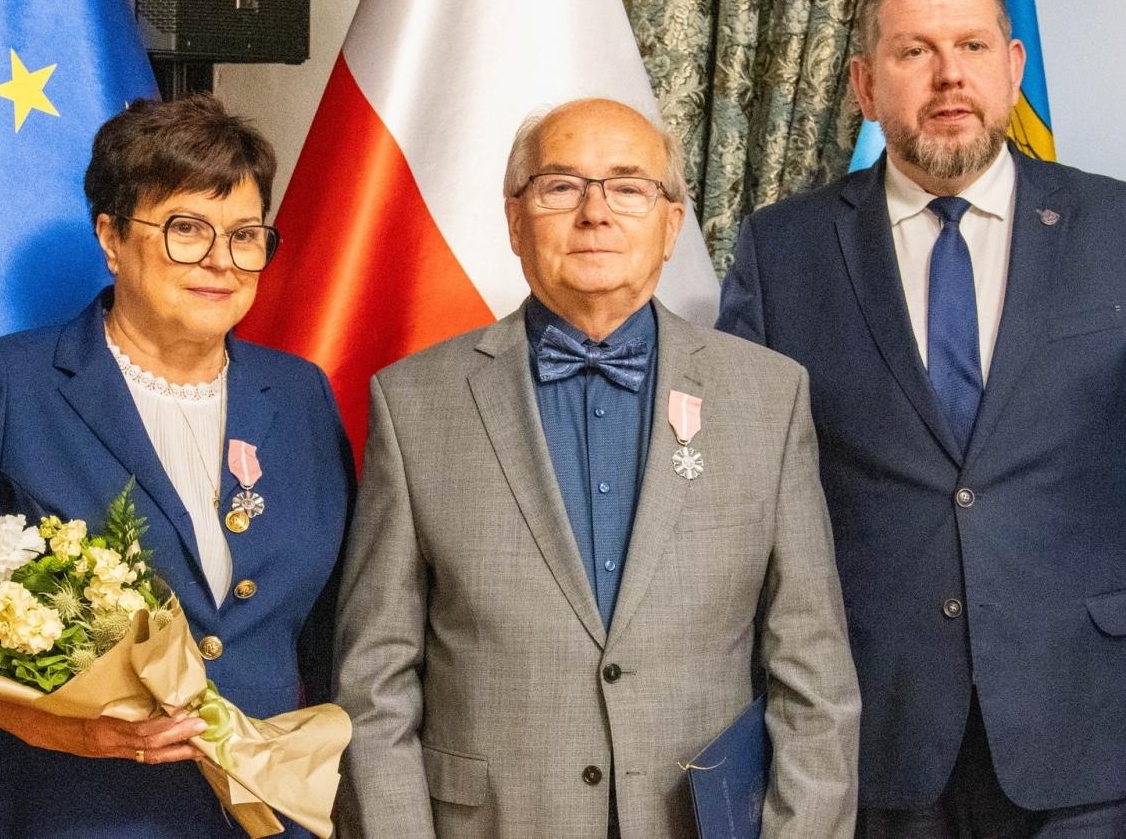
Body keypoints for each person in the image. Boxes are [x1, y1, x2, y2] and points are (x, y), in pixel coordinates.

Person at [334, 97, 860, 838]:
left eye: (628, 186)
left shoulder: (769, 396)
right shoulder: (413, 402)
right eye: (561, 186)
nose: (595, 213)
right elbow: (374, 686)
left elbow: (814, 677)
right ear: (514, 219)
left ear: (671, 223)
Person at [719, 0, 1126, 837]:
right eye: (914, 52)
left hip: (1091, 726)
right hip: (876, 729)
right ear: (866, 85)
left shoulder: (1115, 228)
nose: (950, 76)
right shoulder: (783, 251)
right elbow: (741, 496)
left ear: (1012, 68)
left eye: (972, 47)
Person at [0, 93, 355, 838]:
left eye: (245, 236)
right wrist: (71, 731)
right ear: (111, 237)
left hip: (270, 816)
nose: (221, 260)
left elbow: (340, 633)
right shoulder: (14, 382)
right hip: (76, 811)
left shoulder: (300, 393)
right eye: (187, 229)